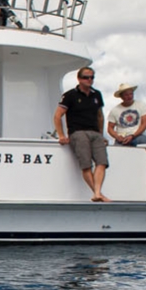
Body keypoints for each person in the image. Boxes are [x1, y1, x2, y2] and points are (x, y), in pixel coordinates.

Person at [53, 67, 109, 201]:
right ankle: (97, 193)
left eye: (92, 77)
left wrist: (101, 134)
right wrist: (61, 135)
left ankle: (97, 193)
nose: (89, 80)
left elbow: (100, 116)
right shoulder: (70, 95)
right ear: (79, 79)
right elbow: (57, 115)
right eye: (86, 77)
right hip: (78, 132)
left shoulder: (97, 95)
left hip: (94, 132)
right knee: (86, 164)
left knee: (102, 162)